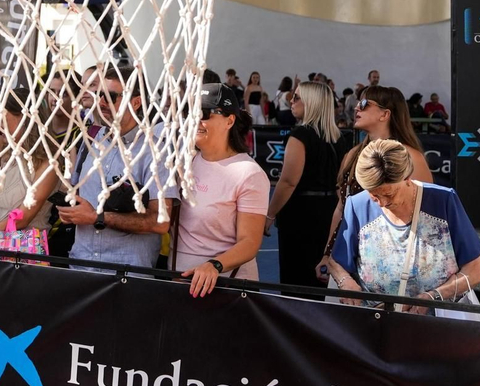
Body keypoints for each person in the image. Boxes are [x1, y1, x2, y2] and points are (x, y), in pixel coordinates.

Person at [329, 139, 480, 311]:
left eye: (389, 194)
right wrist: (345, 281)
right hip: (377, 320)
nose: (381, 203)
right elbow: (336, 262)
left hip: (439, 318)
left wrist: (433, 297)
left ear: (407, 178)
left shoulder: (443, 201)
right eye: (373, 195)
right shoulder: (357, 205)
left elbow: (476, 269)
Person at [57, 66, 177, 271]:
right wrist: (71, 211)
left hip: (125, 275)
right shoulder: (90, 141)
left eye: (111, 97)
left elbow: (160, 222)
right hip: (81, 265)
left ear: (136, 102)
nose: (102, 102)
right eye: (99, 95)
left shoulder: (154, 152)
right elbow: (76, 193)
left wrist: (97, 217)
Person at [321, 85, 434, 282]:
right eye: (358, 102)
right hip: (345, 260)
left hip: (392, 263)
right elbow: (341, 208)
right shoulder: (352, 155)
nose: (357, 107)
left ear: (385, 114)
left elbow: (426, 212)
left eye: (365, 103)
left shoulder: (410, 157)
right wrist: (327, 254)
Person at [173, 84, 270, 296]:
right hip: (180, 285)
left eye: (204, 113)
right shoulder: (185, 162)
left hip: (225, 289)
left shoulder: (249, 173)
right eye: (191, 113)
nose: (195, 120)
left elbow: (250, 242)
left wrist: (214, 266)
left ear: (229, 121)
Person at [264, 81, 342, 289]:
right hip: (329, 212)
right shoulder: (338, 138)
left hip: (300, 216)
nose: (291, 101)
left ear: (311, 102)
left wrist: (269, 215)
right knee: (320, 279)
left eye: (297, 97)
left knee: (296, 279)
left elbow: (288, 181)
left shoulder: (300, 135)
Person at [0, 89, 56, 245]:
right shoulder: (6, 156)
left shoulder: (48, 165)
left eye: (4, 119)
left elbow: (23, 218)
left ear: (25, 119)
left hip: (25, 252)